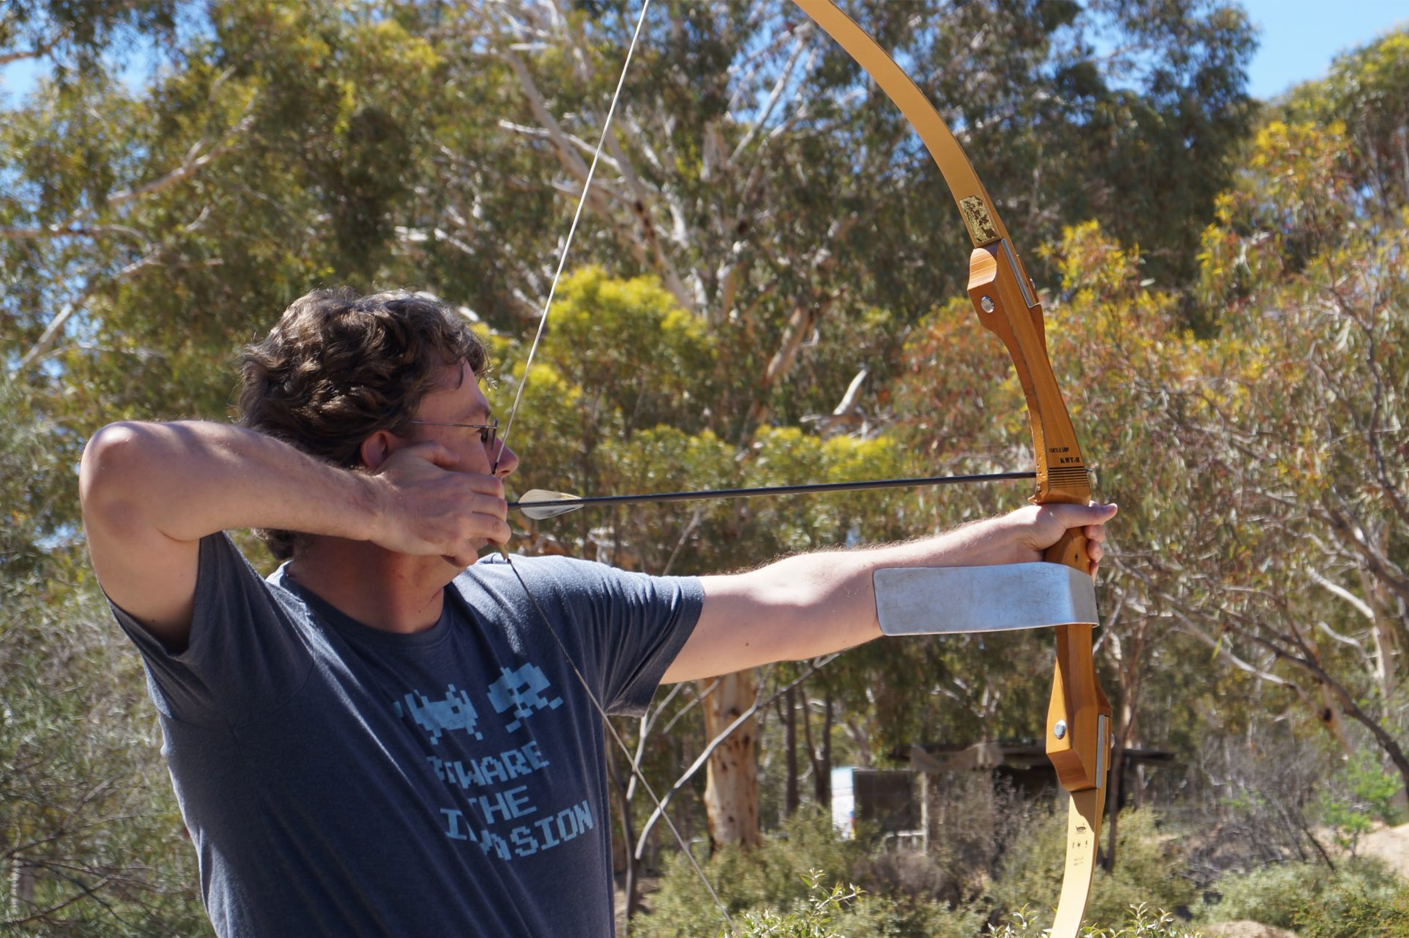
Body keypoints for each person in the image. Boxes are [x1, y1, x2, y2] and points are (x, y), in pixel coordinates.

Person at [79, 288, 1116, 938]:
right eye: (479, 433)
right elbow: (124, 473)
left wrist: (1016, 556)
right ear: (379, 452)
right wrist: (378, 515)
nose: (505, 461)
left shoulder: (541, 609)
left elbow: (792, 602)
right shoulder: (245, 661)